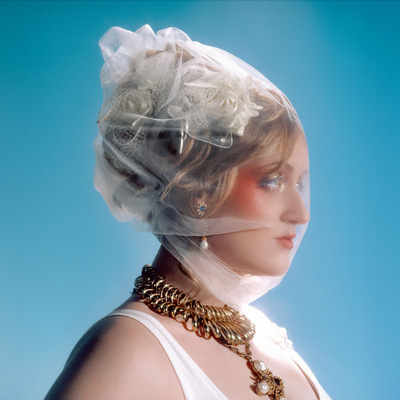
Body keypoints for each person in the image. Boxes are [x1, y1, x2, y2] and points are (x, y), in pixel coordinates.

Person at [45, 25, 331, 400]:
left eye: (301, 183)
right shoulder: (127, 351)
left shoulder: (267, 336)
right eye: (272, 180)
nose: (300, 214)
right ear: (200, 187)